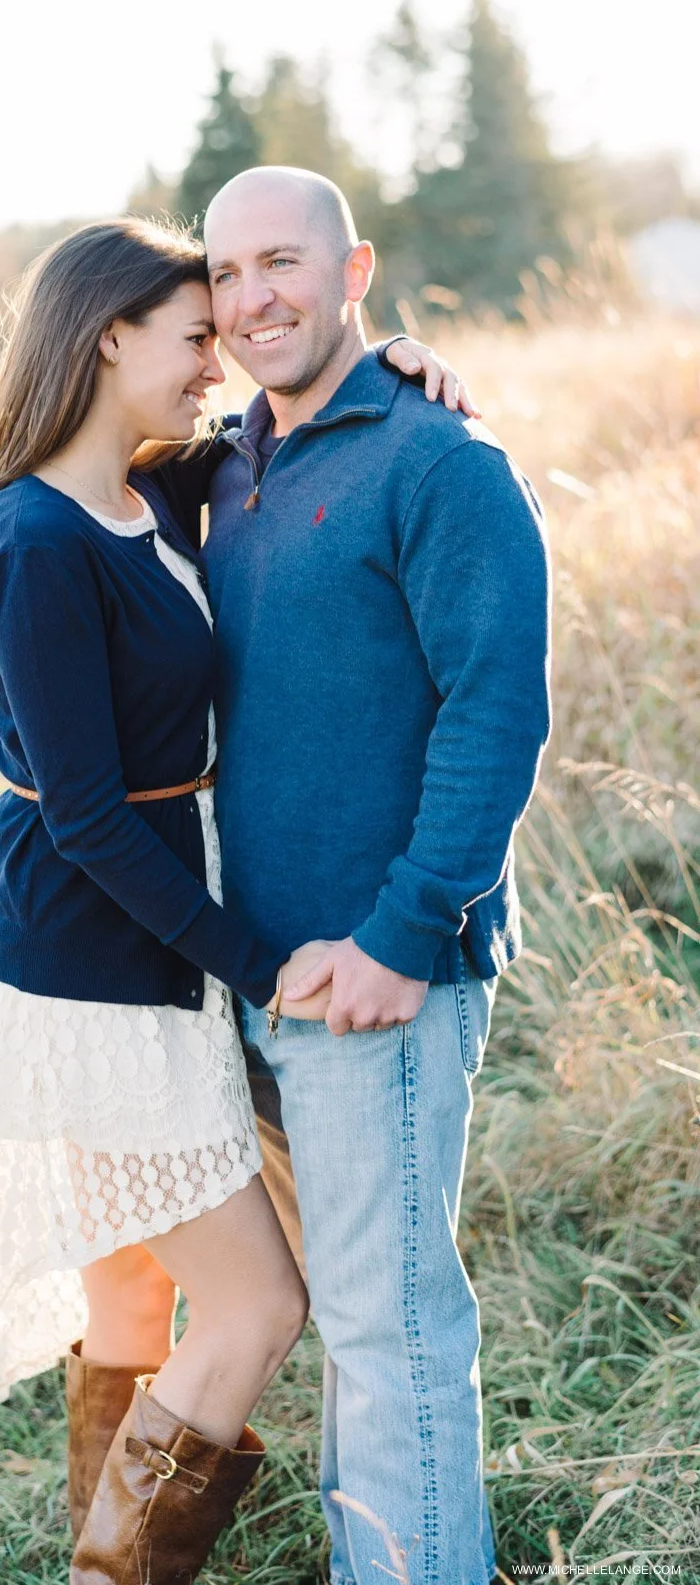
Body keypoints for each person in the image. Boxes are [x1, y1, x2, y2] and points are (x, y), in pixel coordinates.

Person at [0, 214, 473, 1584]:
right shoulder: (36, 538)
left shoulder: (145, 494)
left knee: (133, 1282)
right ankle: (111, 1571)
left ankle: (106, 1542)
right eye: (191, 339)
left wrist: (389, 358)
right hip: (93, 966)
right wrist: (252, 955)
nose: (214, 364)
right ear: (109, 339)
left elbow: (274, 444)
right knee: (260, 1301)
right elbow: (91, 813)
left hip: (139, 951)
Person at [200, 167, 553, 1585]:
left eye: (280, 262)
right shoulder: (227, 463)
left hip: (375, 980)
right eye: (223, 276)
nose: (249, 299)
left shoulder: (440, 461)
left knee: (393, 1325)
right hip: (255, 973)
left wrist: (406, 933)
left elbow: (496, 706)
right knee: (352, 1317)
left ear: (356, 272)